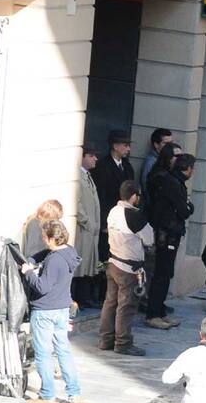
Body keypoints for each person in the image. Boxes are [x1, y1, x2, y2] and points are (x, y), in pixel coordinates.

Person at [21, 221, 88, 403]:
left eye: (45, 238)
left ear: (52, 238)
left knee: (43, 354)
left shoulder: (54, 260)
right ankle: (74, 394)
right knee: (63, 351)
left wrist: (28, 272)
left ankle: (47, 396)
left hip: (45, 310)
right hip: (62, 309)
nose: (43, 241)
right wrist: (33, 259)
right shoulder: (69, 252)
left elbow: (42, 287)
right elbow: (48, 253)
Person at [101, 181, 153, 357]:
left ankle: (105, 339)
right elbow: (149, 239)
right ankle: (123, 343)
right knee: (126, 306)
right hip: (128, 268)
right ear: (134, 196)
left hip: (113, 263)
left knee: (110, 303)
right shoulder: (134, 216)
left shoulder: (113, 211)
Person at [145, 153, 195, 330]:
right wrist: (189, 207)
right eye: (192, 168)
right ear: (187, 169)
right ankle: (153, 314)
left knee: (165, 274)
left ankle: (159, 311)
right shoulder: (173, 183)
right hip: (167, 235)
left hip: (168, 233)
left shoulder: (173, 181)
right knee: (162, 274)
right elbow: (184, 210)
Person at [92, 129, 136, 262]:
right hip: (109, 219)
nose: (128, 149)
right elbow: (101, 196)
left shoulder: (127, 166)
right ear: (115, 146)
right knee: (105, 255)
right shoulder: (103, 167)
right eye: (125, 145)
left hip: (124, 220)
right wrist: (104, 221)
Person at [74, 148, 102, 308]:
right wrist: (87, 221)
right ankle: (76, 298)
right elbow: (76, 202)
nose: (95, 159)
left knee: (87, 264)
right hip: (82, 229)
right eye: (91, 156)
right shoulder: (77, 176)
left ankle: (83, 297)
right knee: (79, 264)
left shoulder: (87, 176)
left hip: (91, 230)